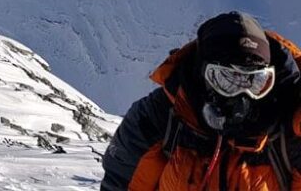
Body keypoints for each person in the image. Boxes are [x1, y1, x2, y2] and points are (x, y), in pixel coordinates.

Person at [101, 11, 301, 190]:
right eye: (227, 79)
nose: (243, 96)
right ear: (202, 74)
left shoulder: (291, 129)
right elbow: (119, 185)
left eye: (256, 81)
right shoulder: (157, 119)